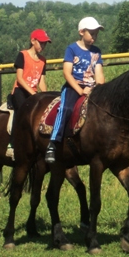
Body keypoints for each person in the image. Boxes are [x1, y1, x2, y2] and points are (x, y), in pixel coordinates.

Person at [45, 17, 105, 163]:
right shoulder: (72, 49)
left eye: (96, 34)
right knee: (65, 108)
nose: (94, 37)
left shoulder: (96, 52)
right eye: (92, 33)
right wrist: (80, 90)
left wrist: (100, 88)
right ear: (81, 32)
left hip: (92, 88)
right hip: (74, 86)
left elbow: (99, 74)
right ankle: (53, 143)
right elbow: (67, 73)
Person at [6, 29, 51, 159]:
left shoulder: (42, 60)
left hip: (33, 94)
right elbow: (20, 78)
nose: (43, 46)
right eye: (41, 43)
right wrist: (33, 93)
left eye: (45, 44)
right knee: (22, 112)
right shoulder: (23, 55)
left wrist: (47, 96)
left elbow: (41, 82)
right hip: (20, 91)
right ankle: (12, 145)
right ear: (33, 41)